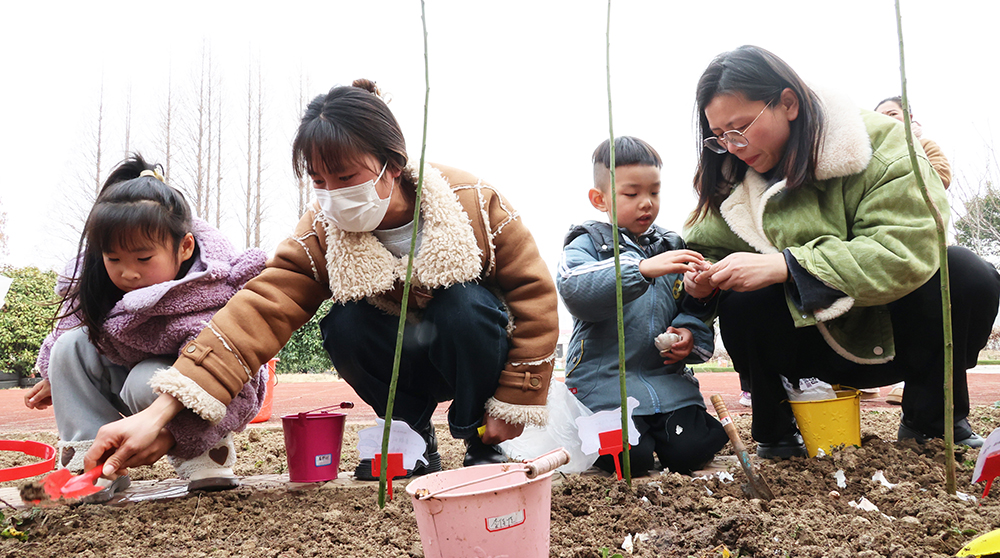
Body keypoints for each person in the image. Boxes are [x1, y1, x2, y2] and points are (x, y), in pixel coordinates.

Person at [82, 80, 559, 481]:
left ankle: (480, 440)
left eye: (346, 176)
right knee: (346, 323)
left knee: (464, 307)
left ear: (393, 165)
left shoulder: (472, 202)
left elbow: (533, 295)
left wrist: (517, 396)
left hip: (472, 350)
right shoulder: (322, 232)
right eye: (318, 180)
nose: (332, 194)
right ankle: (410, 437)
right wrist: (160, 411)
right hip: (403, 360)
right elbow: (260, 310)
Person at [682, 45, 1000, 459]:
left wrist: (787, 265)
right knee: (743, 300)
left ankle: (933, 422)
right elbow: (702, 248)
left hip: (900, 329)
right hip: (808, 341)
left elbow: (905, 248)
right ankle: (776, 434)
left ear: (788, 103)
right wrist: (700, 284)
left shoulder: (882, 144)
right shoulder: (732, 173)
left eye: (740, 127)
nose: (733, 145)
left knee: (964, 272)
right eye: (720, 136)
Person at [25, 154, 268, 500]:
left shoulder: (209, 292)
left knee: (148, 377)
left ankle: (206, 458)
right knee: (69, 348)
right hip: (129, 368)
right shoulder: (101, 276)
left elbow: (236, 379)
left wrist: (177, 433)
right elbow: (73, 320)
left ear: (184, 247)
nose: (128, 273)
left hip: (190, 387)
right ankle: (94, 464)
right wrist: (56, 372)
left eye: (143, 259)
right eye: (114, 260)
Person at [556, 136, 727, 475]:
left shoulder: (672, 244)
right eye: (631, 194)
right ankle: (597, 430)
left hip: (665, 380)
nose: (646, 203)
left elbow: (691, 308)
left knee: (692, 451)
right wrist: (641, 269)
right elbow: (574, 287)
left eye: (654, 192)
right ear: (599, 198)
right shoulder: (587, 243)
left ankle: (668, 429)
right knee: (630, 460)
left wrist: (690, 333)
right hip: (604, 385)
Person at [872, 95, 954, 404]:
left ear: (908, 117)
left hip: (925, 240)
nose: (888, 119)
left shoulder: (925, 146)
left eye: (894, 113)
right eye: (882, 116)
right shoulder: (873, 152)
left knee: (927, 309)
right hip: (885, 240)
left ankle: (914, 386)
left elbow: (942, 177)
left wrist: (911, 151)